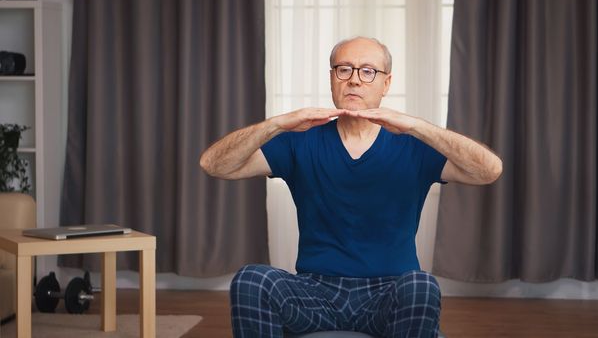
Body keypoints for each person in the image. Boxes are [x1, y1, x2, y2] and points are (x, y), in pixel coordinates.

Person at [200, 36, 502, 338]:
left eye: (368, 71)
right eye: (344, 69)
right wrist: (278, 123)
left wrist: (417, 126)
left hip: (388, 293)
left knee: (421, 285)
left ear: (386, 84)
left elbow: (489, 170)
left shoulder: (414, 145)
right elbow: (214, 165)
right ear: (332, 79)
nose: (355, 80)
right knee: (251, 279)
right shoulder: (299, 140)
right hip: (315, 292)